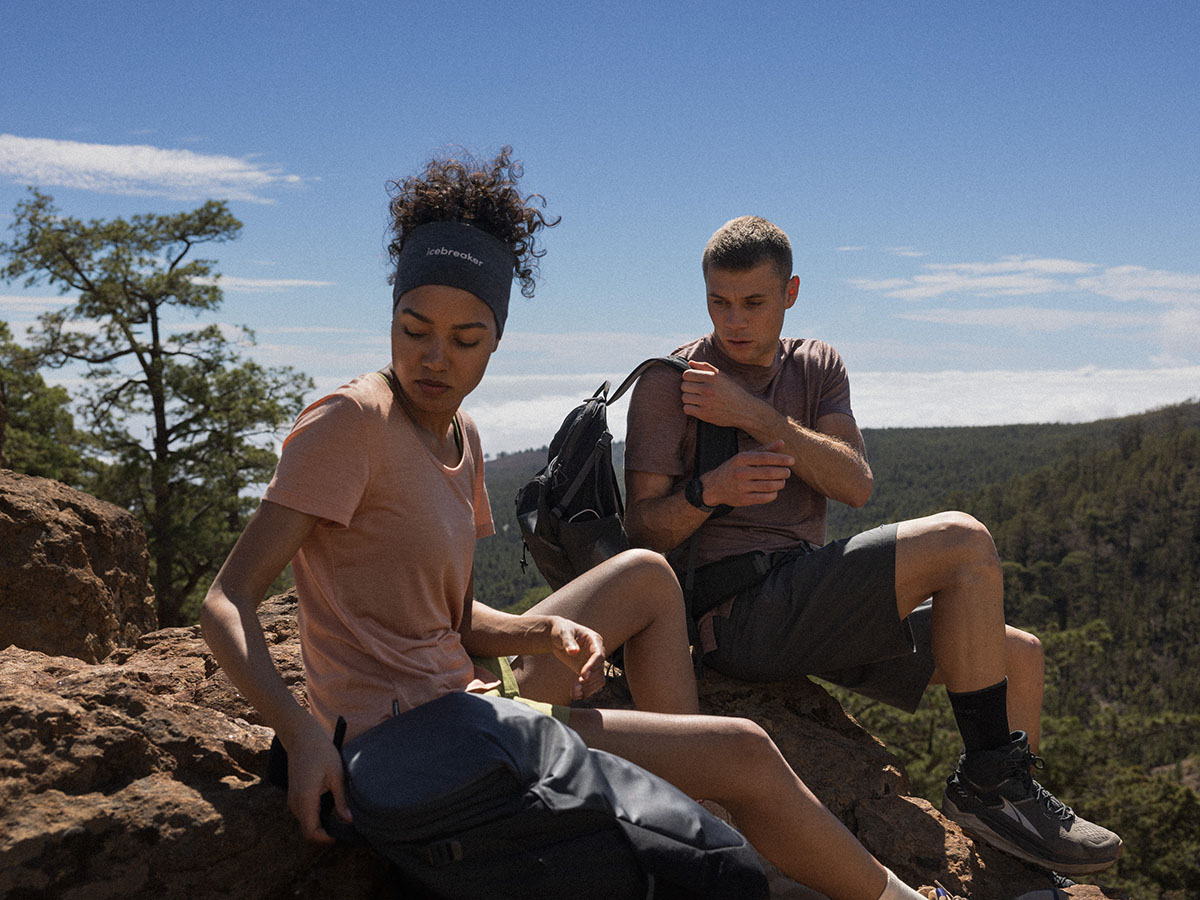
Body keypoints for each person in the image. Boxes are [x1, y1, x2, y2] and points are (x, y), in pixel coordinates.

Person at [201, 151, 946, 900]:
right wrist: (299, 733)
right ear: (390, 317)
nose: (435, 359)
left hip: (469, 702)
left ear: (496, 342)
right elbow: (227, 599)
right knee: (744, 752)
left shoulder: (459, 436)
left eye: (466, 340)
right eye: (413, 328)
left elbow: (452, 618)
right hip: (411, 742)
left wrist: (540, 633)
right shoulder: (350, 422)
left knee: (651, 586)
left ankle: (725, 830)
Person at [622, 215, 1122, 877]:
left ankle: (1019, 857)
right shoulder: (676, 380)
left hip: (812, 600)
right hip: (738, 615)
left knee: (1018, 656)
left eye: (753, 303)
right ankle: (989, 787)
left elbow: (854, 483)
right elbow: (642, 532)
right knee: (963, 540)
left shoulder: (816, 364)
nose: (734, 320)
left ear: (791, 292)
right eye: (719, 302)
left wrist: (757, 418)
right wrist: (708, 491)